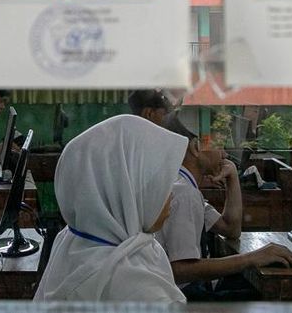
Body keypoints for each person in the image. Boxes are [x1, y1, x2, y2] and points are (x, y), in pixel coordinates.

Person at [35, 115, 189, 302]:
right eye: (161, 185)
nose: (170, 194)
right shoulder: (137, 291)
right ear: (127, 193)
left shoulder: (74, 239)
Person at [158, 117, 292, 300]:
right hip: (186, 297)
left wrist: (232, 177)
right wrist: (253, 257)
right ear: (196, 147)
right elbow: (180, 270)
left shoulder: (185, 186)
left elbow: (231, 228)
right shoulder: (184, 193)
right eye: (219, 145)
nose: (224, 154)